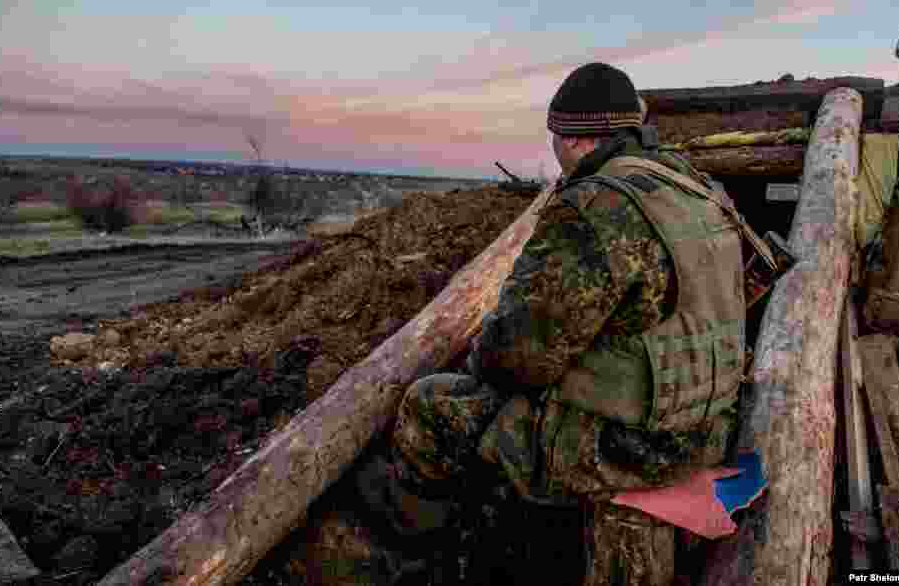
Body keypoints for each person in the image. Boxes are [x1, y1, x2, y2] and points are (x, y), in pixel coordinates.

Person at [307, 63, 750, 586]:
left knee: (432, 406)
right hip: (710, 428)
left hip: (634, 450)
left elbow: (516, 357)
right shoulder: (693, 186)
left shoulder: (597, 206)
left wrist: (481, 357)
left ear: (572, 139)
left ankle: (409, 558)